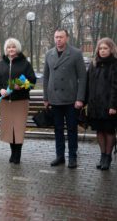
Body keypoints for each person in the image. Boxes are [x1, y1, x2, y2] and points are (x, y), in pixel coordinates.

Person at [43, 29, 87, 168]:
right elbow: (46, 77)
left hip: (71, 99)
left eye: (61, 37)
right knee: (58, 129)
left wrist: (80, 98)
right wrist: (46, 97)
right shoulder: (49, 54)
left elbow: (83, 77)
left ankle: (72, 156)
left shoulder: (76, 53)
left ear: (67, 38)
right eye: (56, 37)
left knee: (72, 129)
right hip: (54, 98)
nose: (58, 40)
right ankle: (60, 156)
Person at [0, 38, 36, 164]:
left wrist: (21, 86)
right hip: (6, 102)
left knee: (18, 128)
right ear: (6, 50)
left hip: (20, 101)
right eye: (8, 47)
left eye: (13, 47)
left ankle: (18, 154)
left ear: (17, 48)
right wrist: (0, 90)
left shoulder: (25, 64)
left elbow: (32, 81)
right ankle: (12, 152)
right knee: (9, 128)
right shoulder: (0, 65)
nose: (11, 49)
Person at [86, 38, 117, 170]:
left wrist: (113, 105)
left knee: (109, 131)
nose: (103, 51)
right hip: (95, 105)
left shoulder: (115, 64)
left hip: (109, 106)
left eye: (105, 48)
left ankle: (108, 157)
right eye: (100, 48)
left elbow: (116, 87)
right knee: (99, 131)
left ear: (111, 50)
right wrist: (85, 101)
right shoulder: (94, 64)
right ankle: (102, 155)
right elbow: (87, 85)